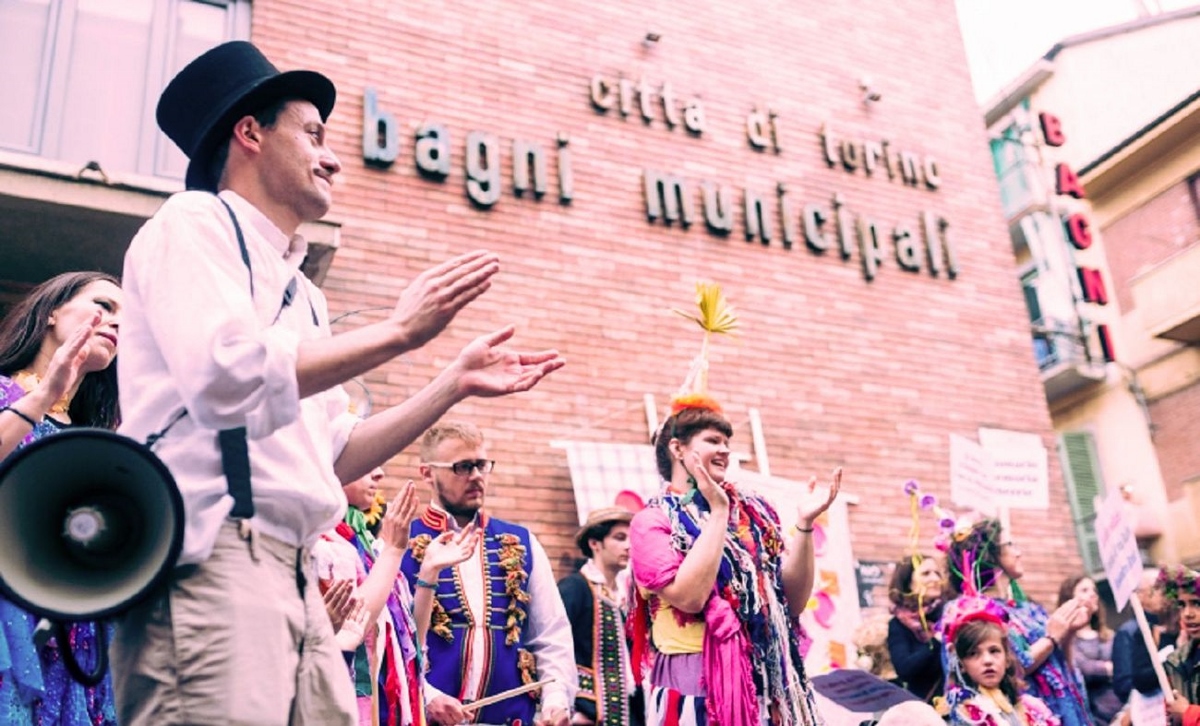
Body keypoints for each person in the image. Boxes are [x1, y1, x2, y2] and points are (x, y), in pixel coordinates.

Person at [109, 41, 565, 726]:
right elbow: (222, 376)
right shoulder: (191, 224)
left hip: (305, 580)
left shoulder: (303, 293)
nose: (332, 157)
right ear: (250, 132)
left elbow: (334, 454)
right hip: (215, 560)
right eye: (314, 133)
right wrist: (398, 332)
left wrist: (452, 383)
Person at [627, 401, 840, 726]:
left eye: (727, 442)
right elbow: (690, 597)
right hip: (692, 682)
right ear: (677, 448)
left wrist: (805, 524)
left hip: (763, 681)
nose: (725, 451)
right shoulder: (652, 522)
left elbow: (792, 602)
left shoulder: (753, 518)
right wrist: (719, 512)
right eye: (713, 441)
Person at [0, 271, 121, 725]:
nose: (115, 323)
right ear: (52, 312)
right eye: (103, 305)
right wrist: (45, 394)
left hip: (73, 628)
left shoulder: (99, 438)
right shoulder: (3, 392)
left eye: (126, 319)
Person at [400, 422, 576, 726]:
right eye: (462, 467)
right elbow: (387, 643)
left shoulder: (521, 541)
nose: (477, 476)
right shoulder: (397, 543)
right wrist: (426, 696)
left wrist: (555, 700)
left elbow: (551, 636)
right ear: (427, 473)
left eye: (481, 465)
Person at [941, 516, 1094, 726]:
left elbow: (1062, 664)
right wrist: (1050, 638)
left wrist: (1068, 633)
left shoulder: (1027, 607)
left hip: (1064, 711)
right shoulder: (971, 609)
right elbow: (1004, 665)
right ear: (990, 555)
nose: (1018, 552)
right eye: (1010, 545)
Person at [312, 472, 422, 725]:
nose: (379, 473)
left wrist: (428, 577)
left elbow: (406, 640)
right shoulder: (325, 546)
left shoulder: (358, 540)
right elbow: (356, 621)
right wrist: (394, 550)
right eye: (369, 463)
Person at [557, 507, 641, 726]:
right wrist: (573, 707)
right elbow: (553, 648)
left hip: (624, 713)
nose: (628, 546)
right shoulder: (575, 588)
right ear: (595, 543)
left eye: (631, 539)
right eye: (619, 538)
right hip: (584, 713)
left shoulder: (624, 598)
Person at [942, 597, 1060, 726]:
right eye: (973, 654)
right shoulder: (960, 713)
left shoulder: (1031, 709)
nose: (987, 661)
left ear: (1007, 659)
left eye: (994, 651)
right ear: (961, 664)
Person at [1058, 576, 1121, 724]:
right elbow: (1082, 668)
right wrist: (1110, 668)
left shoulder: (1108, 635)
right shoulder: (1067, 640)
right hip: (1094, 716)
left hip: (1123, 711)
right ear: (1069, 598)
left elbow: (1125, 667)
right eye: (1084, 590)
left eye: (1094, 590)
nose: (1093, 594)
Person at [886, 553, 946, 703]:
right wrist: (936, 641)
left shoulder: (949, 613)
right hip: (928, 709)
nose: (935, 579)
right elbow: (905, 669)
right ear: (908, 583)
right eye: (926, 574)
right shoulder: (899, 624)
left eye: (937, 573)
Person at [1113, 568, 1173, 702]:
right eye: (1156, 588)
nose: (1164, 593)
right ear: (1140, 596)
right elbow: (1124, 684)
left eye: (1165, 587)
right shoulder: (1129, 631)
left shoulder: (1174, 626)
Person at [1158, 566, 1200, 726]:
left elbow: (1184, 712)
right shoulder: (1176, 660)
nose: (1188, 613)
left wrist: (1187, 713)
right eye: (1182, 605)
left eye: (1197, 603)